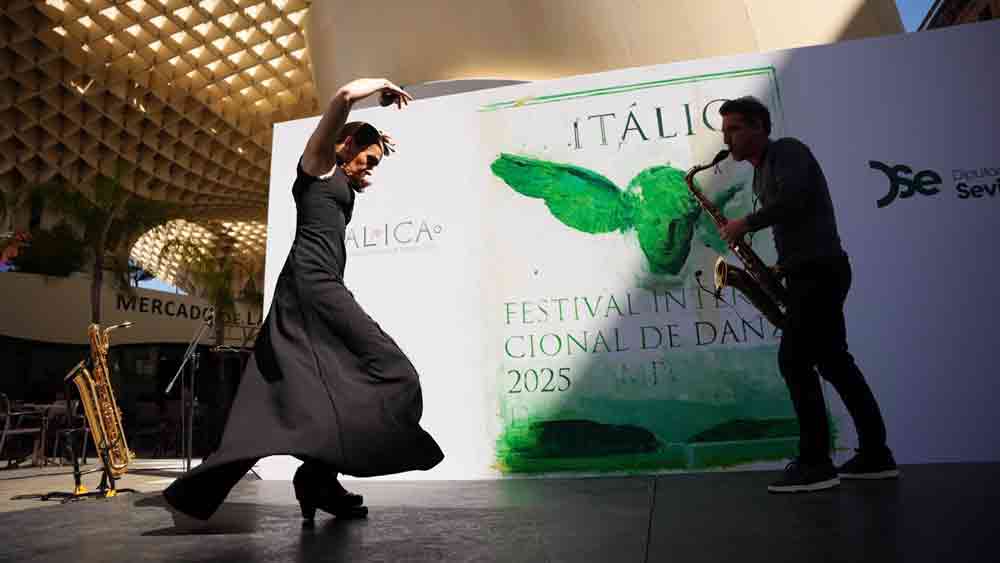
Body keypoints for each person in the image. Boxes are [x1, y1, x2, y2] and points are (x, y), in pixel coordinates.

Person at [162, 78, 444, 522]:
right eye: (367, 160)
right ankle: (312, 480)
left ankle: (317, 480)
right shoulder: (317, 166)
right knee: (394, 371)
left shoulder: (346, 172)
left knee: (318, 392)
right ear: (345, 144)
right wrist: (382, 87)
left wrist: (377, 138)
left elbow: (361, 143)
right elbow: (344, 97)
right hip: (311, 285)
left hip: (316, 286)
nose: (371, 169)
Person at [716, 96, 898, 494]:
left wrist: (744, 223)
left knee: (795, 361)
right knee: (835, 363)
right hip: (807, 271)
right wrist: (778, 270)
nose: (727, 137)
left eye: (735, 128)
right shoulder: (760, 172)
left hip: (820, 271)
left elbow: (795, 201)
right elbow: (795, 223)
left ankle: (816, 463)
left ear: (760, 127)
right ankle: (875, 455)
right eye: (725, 129)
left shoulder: (788, 151)